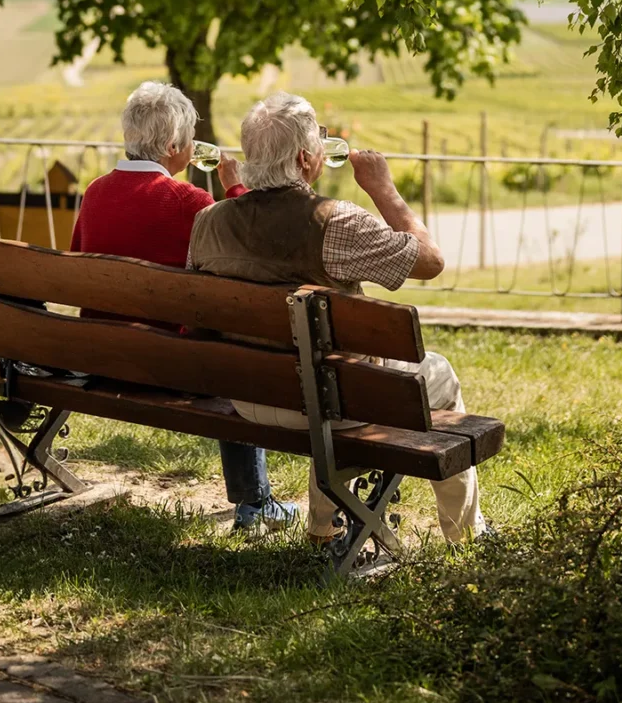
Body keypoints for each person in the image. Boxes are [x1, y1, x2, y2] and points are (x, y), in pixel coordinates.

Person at [188, 91, 487, 545]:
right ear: (307, 158)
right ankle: (466, 536)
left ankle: (325, 530)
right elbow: (429, 261)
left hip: (248, 395)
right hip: (328, 399)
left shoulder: (208, 222)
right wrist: (382, 187)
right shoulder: (334, 221)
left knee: (323, 375)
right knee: (434, 374)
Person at [70, 81, 298, 532]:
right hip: (171, 369)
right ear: (175, 146)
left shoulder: (95, 192)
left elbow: (80, 264)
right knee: (232, 353)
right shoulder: (190, 202)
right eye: (191, 137)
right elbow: (245, 261)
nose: (195, 146)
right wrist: (234, 187)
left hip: (100, 356)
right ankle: (255, 504)